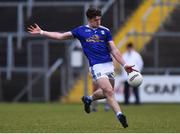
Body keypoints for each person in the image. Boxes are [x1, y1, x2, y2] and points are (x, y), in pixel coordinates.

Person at [27, 7, 135, 128]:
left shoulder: (105, 31)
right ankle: (120, 115)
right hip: (96, 66)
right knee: (109, 91)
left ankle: (88, 99)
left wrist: (125, 64)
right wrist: (42, 32)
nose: (98, 22)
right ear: (89, 19)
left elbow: (114, 49)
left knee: (106, 93)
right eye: (96, 20)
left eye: (100, 19)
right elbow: (60, 36)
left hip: (108, 64)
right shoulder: (81, 31)